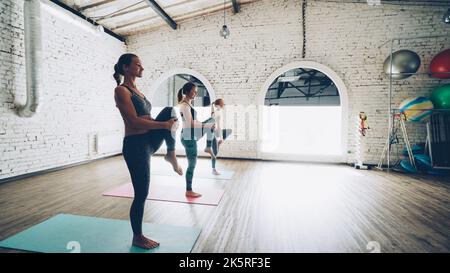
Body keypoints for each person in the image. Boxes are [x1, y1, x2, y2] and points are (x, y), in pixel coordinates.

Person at [113, 53, 182, 250]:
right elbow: (134, 121)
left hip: (149, 140)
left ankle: (171, 153)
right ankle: (138, 236)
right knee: (141, 193)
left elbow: (149, 118)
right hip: (136, 145)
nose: (142, 68)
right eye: (138, 65)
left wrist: (166, 124)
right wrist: (163, 125)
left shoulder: (139, 92)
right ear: (126, 67)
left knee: (170, 110)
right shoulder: (121, 90)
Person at [177, 82, 216, 198]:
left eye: (196, 92)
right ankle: (188, 190)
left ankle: (208, 146)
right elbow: (191, 124)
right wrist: (205, 126)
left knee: (212, 120)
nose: (195, 94)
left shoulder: (188, 104)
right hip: (188, 137)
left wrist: (207, 125)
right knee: (192, 164)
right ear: (188, 92)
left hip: (191, 135)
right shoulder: (184, 106)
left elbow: (195, 122)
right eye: (194, 91)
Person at [205, 99, 232, 175]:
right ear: (220, 104)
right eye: (223, 103)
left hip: (215, 132)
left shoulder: (217, 111)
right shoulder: (216, 112)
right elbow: (217, 126)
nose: (224, 105)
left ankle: (218, 143)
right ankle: (213, 169)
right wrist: (221, 138)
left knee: (229, 131)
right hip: (213, 133)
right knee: (215, 152)